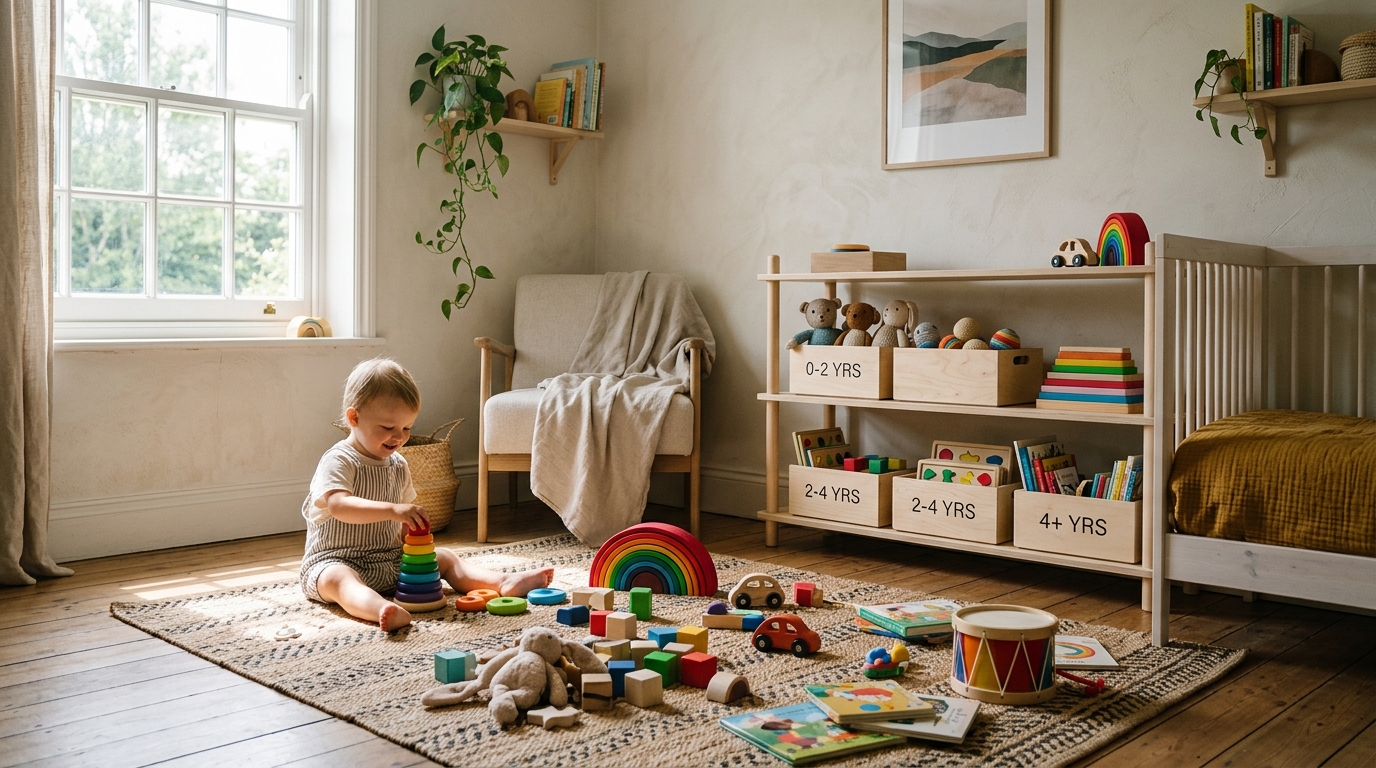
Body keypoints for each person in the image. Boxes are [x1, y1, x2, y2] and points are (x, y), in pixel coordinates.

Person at [301, 358, 553, 631]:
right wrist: (393, 510)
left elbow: (400, 528)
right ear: (354, 418)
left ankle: (502, 582)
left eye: (406, 428)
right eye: (388, 427)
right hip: (335, 560)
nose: (399, 436)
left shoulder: (398, 465)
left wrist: (414, 539)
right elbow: (339, 505)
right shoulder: (339, 460)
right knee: (340, 579)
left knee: (444, 558)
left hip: (388, 561)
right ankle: (381, 609)